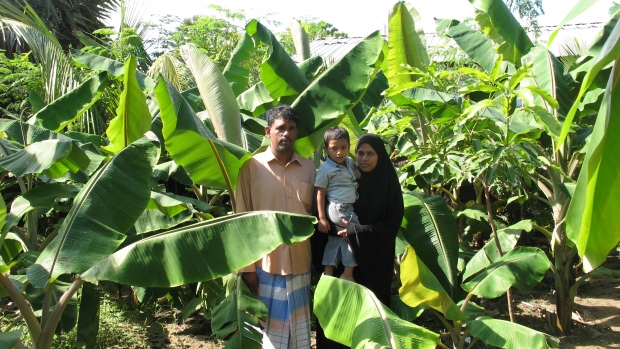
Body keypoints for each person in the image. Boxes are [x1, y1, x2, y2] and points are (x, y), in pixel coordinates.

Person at [235, 105, 316, 349]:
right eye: (280, 128)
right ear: (268, 131)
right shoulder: (251, 168)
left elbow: (316, 214)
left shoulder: (309, 168)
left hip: (302, 265)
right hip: (265, 267)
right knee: (271, 337)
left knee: (300, 336)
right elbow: (241, 219)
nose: (286, 134)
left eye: (291, 129)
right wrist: (246, 269)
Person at [315, 133, 405, 349]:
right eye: (361, 153)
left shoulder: (388, 185)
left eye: (370, 154)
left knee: (369, 326)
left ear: (380, 156)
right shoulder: (345, 177)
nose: (364, 158)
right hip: (341, 264)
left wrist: (356, 231)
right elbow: (325, 209)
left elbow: (392, 224)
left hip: (373, 264)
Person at [315, 127, 360, 282]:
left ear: (349, 146)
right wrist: (322, 218)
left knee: (336, 239)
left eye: (343, 148)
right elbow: (320, 194)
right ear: (326, 149)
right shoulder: (325, 169)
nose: (339, 152)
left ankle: (328, 274)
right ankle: (348, 273)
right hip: (339, 207)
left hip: (345, 207)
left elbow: (356, 172)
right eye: (334, 149)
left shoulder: (348, 162)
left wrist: (356, 172)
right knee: (354, 234)